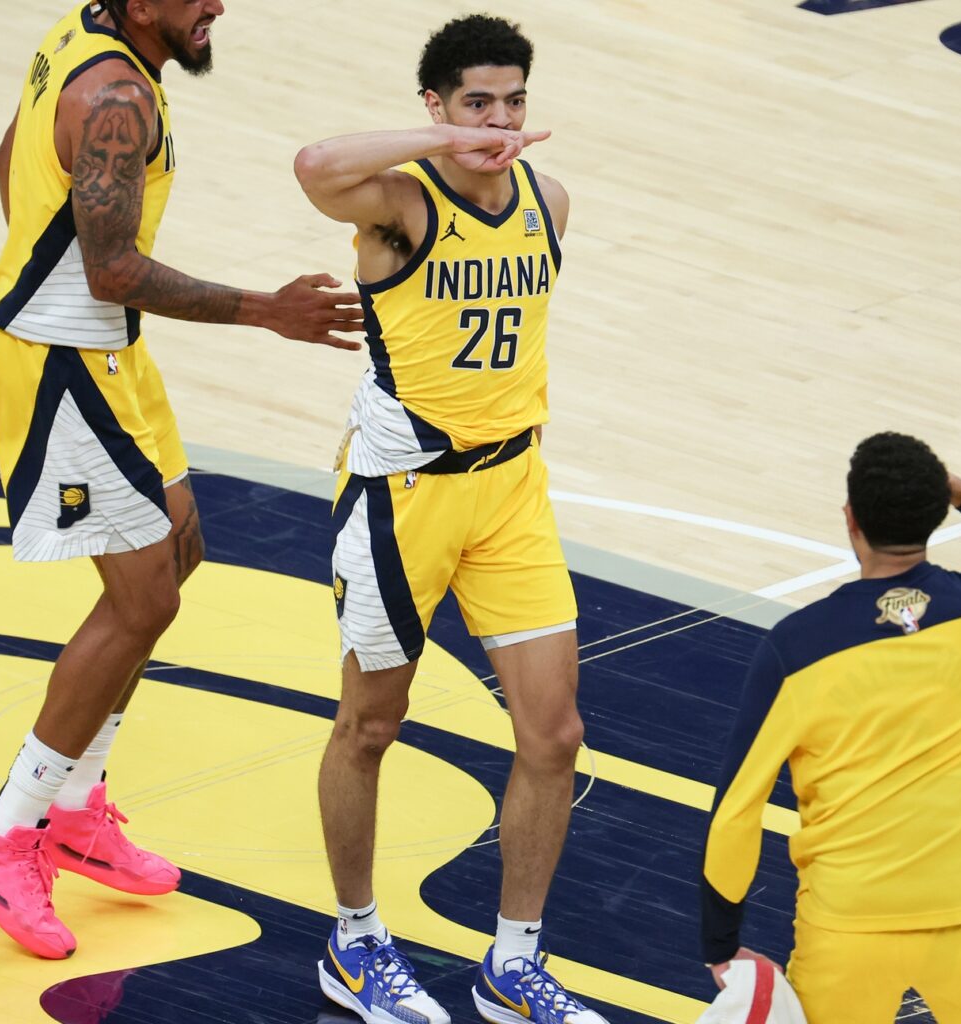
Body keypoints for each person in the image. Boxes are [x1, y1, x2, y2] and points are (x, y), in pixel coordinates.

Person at [0, 0, 362, 960]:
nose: (217, 4)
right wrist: (268, 310)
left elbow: (8, 161)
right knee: (141, 605)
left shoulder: (82, 35)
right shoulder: (118, 95)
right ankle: (2, 833)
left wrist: (48, 267)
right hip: (60, 359)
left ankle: (79, 808)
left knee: (180, 548)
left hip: (100, 348)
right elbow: (112, 270)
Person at [293, 14, 607, 1024]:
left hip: (513, 489)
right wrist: (443, 145)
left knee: (552, 733)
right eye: (477, 101)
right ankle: (354, 943)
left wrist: (482, 143)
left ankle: (513, 965)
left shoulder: (547, 202)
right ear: (435, 106)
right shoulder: (396, 202)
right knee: (372, 724)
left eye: (514, 101)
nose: (501, 120)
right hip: (405, 495)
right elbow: (312, 162)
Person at [700, 433, 961, 1024]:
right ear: (935, 514)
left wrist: (720, 945)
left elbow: (736, 812)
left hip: (845, 929)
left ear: (850, 519)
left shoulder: (796, 649)